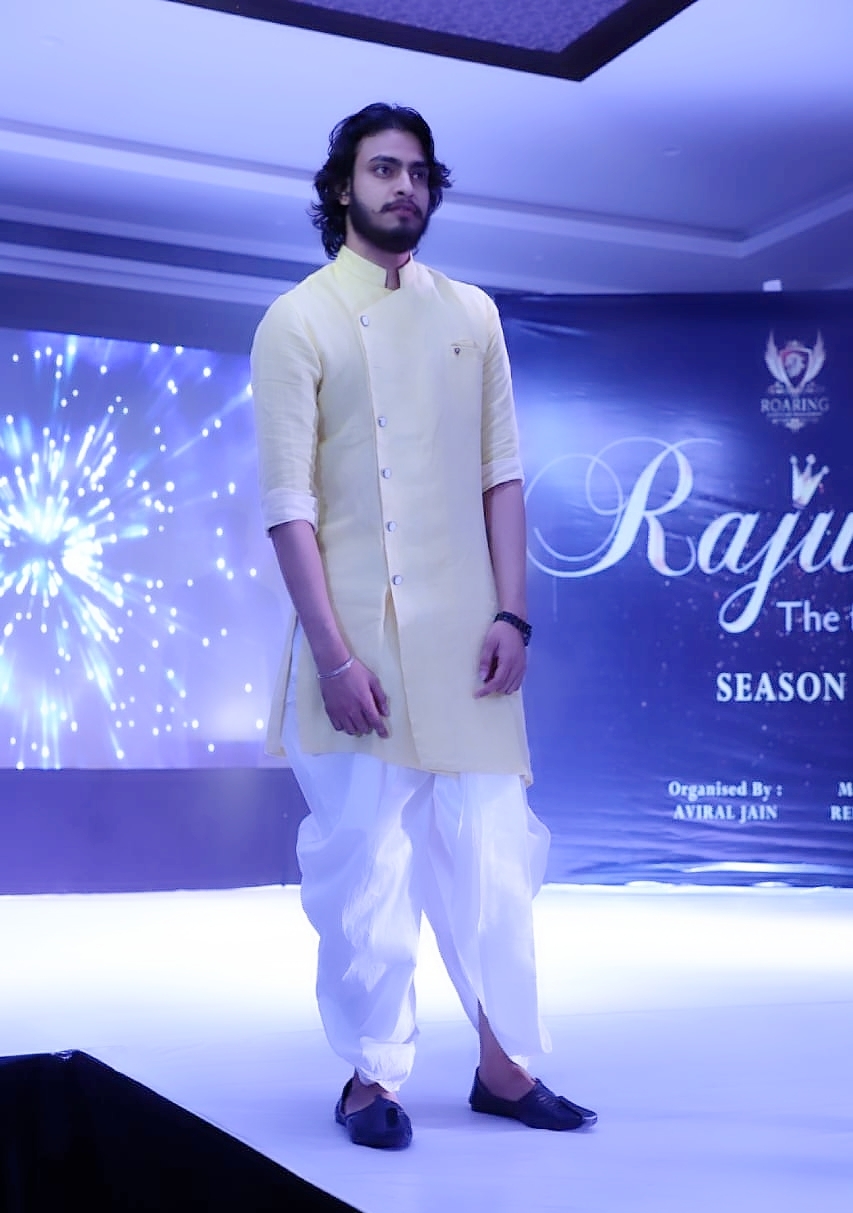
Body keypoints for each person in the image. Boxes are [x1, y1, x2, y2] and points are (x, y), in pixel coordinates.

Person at [251, 103, 596, 1149]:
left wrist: (513, 613)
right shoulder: (299, 319)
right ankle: (370, 1077)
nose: (404, 186)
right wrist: (332, 655)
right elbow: (289, 507)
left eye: (418, 172)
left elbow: (502, 475)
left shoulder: (472, 313)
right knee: (367, 866)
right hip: (356, 642)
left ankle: (504, 1065)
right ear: (342, 188)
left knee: (493, 858)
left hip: (469, 641)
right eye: (383, 168)